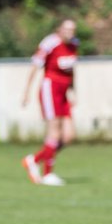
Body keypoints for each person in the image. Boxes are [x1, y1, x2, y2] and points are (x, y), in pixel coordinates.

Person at [20, 18, 79, 187]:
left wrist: (73, 91)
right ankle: (48, 174)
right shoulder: (50, 43)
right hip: (50, 89)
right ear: (59, 29)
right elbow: (35, 66)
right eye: (66, 29)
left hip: (64, 92)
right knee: (54, 133)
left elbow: (71, 70)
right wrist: (26, 92)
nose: (70, 32)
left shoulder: (74, 44)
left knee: (68, 136)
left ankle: (34, 160)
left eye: (73, 29)